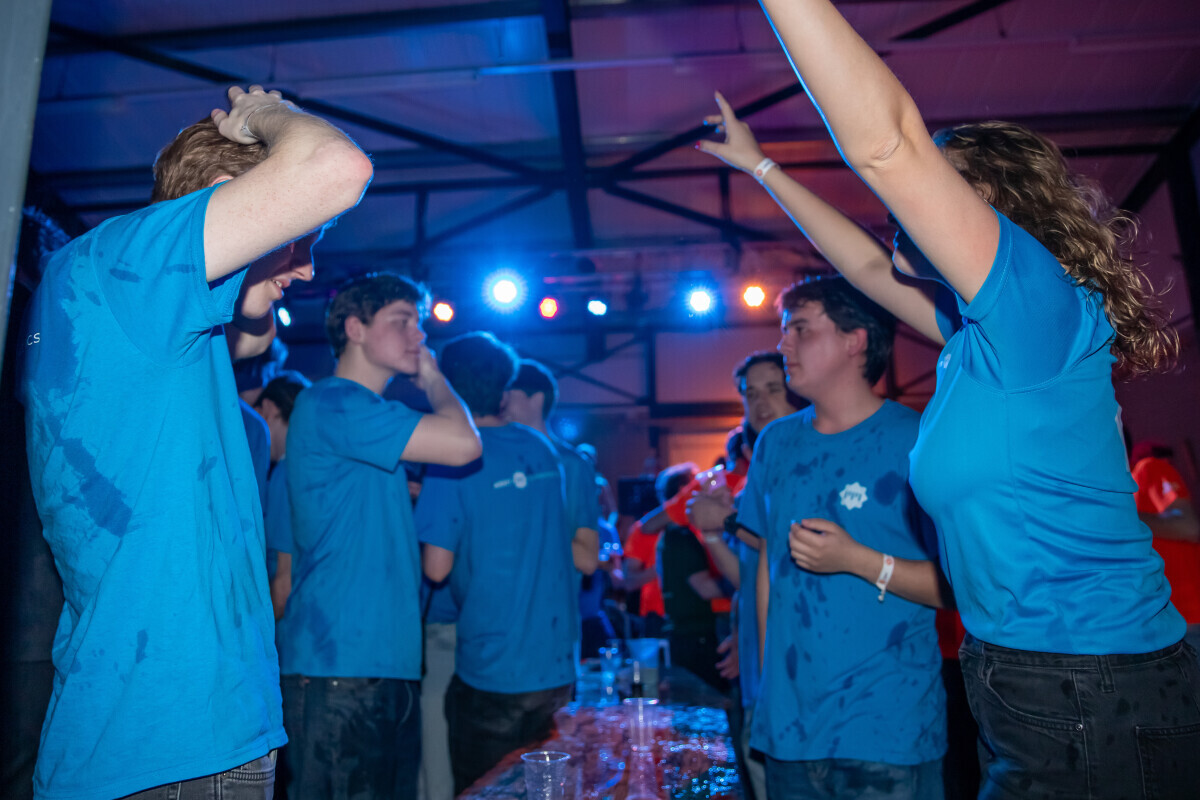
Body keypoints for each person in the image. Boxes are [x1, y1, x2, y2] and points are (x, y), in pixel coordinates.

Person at [700, 1, 1199, 792]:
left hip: (1097, 680)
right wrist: (762, 169)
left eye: (939, 181)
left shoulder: (1037, 301)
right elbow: (867, 270)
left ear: (992, 202)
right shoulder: (979, 337)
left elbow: (888, 142)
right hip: (1035, 678)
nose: (907, 203)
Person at [19, 85, 373, 799]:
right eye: (300, 239)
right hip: (177, 742)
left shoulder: (137, 304)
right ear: (218, 196)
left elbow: (256, 336)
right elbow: (337, 167)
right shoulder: (127, 258)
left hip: (163, 733)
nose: (307, 268)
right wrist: (262, 116)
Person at [734, 277, 946, 800]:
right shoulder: (775, 443)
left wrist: (858, 559)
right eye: (785, 331)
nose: (784, 344)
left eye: (800, 330)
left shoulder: (919, 440)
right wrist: (766, 690)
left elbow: (963, 587)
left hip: (886, 725)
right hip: (789, 728)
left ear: (855, 340)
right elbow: (768, 573)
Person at [279, 273, 480, 800]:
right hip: (340, 664)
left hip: (381, 664)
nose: (420, 335)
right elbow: (464, 443)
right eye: (402, 321)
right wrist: (434, 379)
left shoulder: (365, 419)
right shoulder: (334, 401)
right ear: (355, 328)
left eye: (420, 323)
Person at [418, 332, 596, 795]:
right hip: (555, 666)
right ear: (504, 388)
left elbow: (436, 568)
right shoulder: (542, 450)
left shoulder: (450, 457)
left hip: (492, 666)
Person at [1131, 441, 1200, 654]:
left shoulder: (1149, 466)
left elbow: (1188, 527)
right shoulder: (1130, 488)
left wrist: (1122, 518)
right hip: (1171, 620)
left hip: (1189, 616)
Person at [253, 370, 311, 620]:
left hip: (288, 624)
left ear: (268, 408)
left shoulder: (285, 473)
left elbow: (283, 581)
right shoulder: (314, 467)